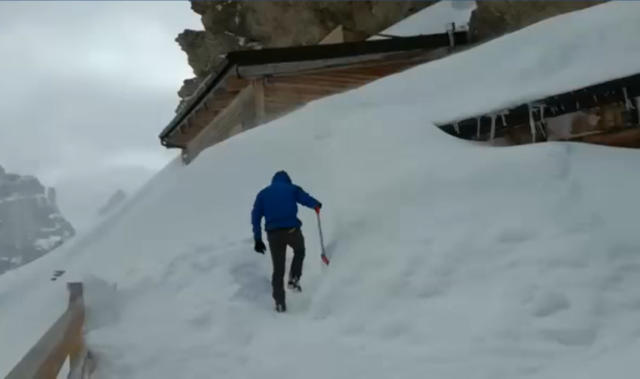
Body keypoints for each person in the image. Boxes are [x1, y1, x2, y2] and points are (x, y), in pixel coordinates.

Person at [251, 170, 322, 313]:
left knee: (278, 269)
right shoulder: (292, 188)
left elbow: (255, 216)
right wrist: (316, 205)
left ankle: (279, 303)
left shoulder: (263, 194)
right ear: (287, 180)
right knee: (300, 250)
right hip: (292, 231)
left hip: (273, 235)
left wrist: (258, 238)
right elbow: (305, 198)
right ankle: (294, 279)